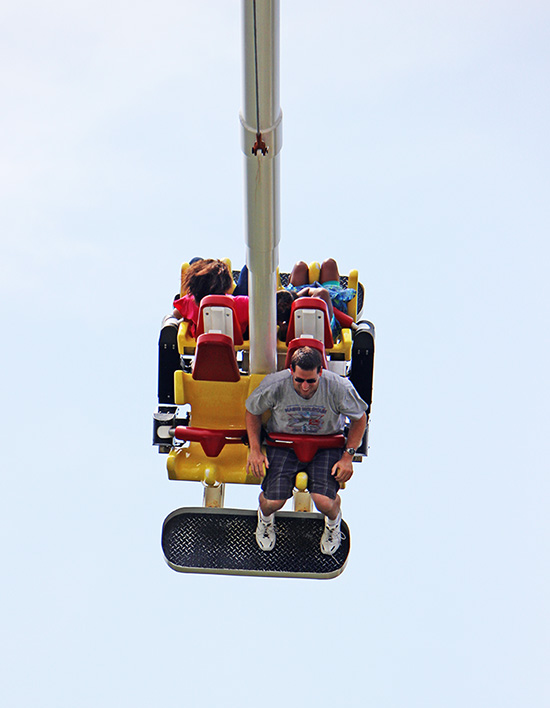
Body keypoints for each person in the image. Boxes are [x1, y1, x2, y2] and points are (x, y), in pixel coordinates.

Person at [245, 346, 367, 555]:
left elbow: (360, 418)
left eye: (311, 381)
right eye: (299, 380)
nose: (304, 387)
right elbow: (252, 411)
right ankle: (264, 520)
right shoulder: (275, 385)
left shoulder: (338, 387)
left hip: (324, 446)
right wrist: (255, 450)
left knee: (323, 501)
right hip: (285, 445)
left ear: (320, 372)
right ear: (291, 371)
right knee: (273, 501)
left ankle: (333, 523)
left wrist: (348, 457)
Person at [169, 258, 249, 339]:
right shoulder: (243, 302)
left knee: (196, 260)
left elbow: (176, 314)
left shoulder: (190, 302)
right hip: (237, 334)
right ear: (227, 284)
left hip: (202, 333)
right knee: (247, 269)